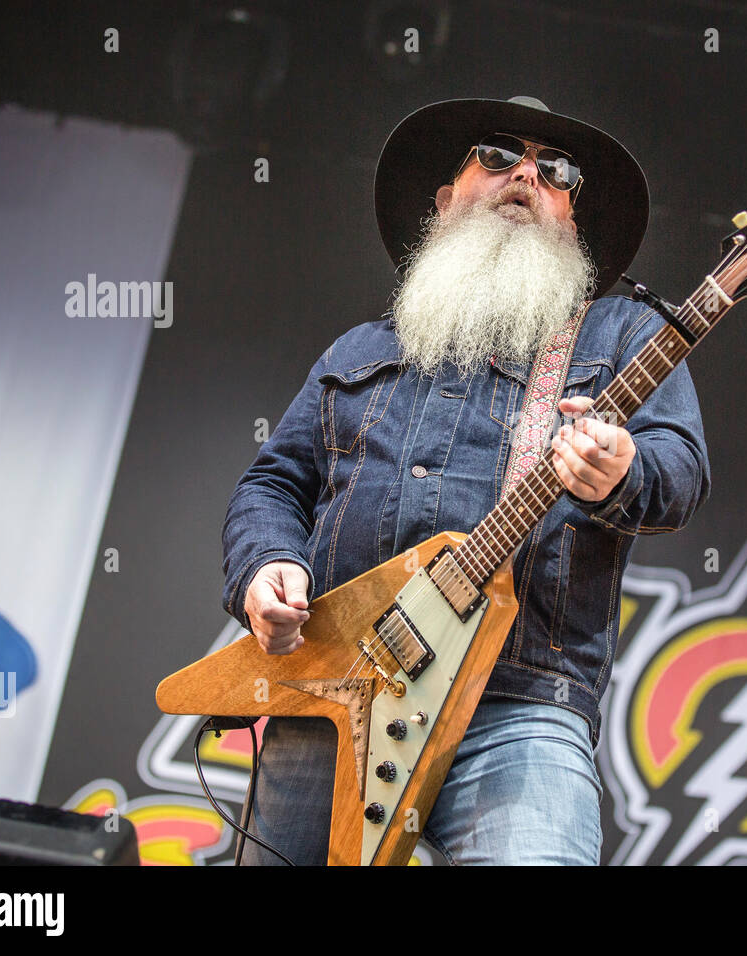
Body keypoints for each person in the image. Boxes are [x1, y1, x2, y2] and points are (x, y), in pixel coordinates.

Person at [222, 95, 710, 865]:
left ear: (573, 224)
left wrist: (622, 470)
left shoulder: (622, 334)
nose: (526, 173)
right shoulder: (357, 349)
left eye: (557, 172)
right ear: (444, 200)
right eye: (495, 154)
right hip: (334, 694)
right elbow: (273, 484)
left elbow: (679, 471)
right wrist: (266, 565)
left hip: (520, 709)